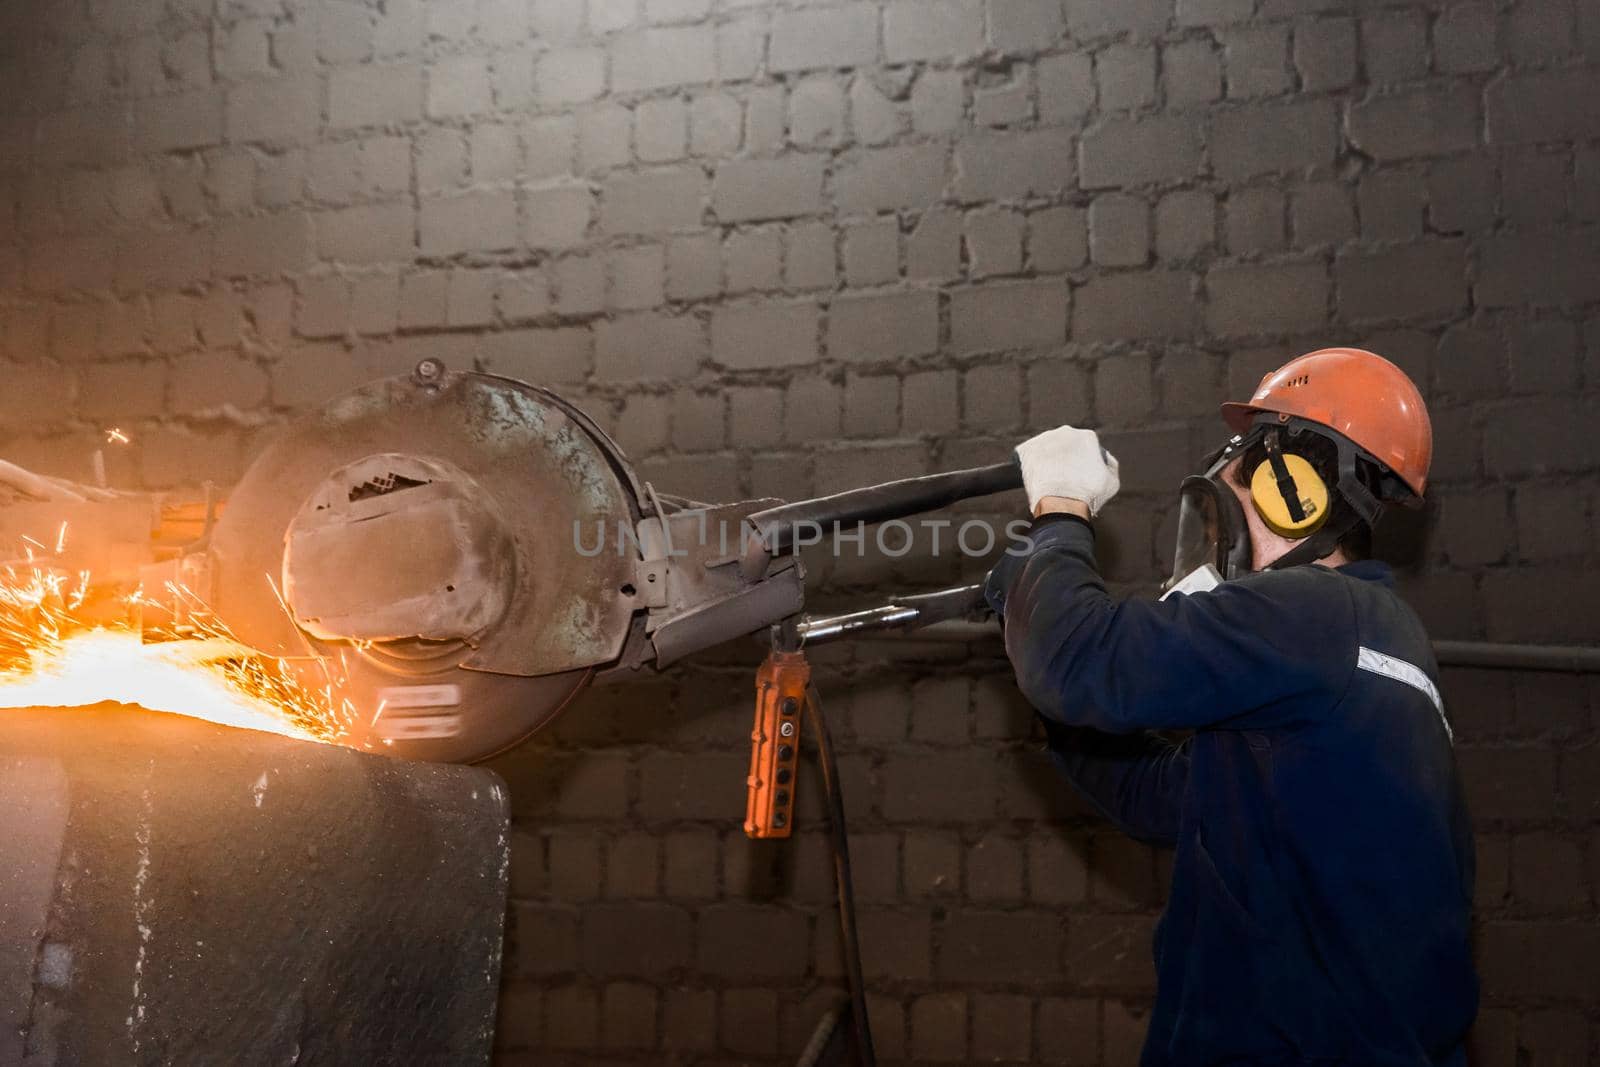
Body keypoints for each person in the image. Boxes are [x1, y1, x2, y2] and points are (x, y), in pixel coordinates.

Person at [984, 348, 1477, 1065]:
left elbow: (1078, 659)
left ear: (1292, 485)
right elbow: (1161, 795)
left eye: (1244, 479)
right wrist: (1027, 633)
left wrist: (1059, 515)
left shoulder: (1310, 612)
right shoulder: (1378, 647)